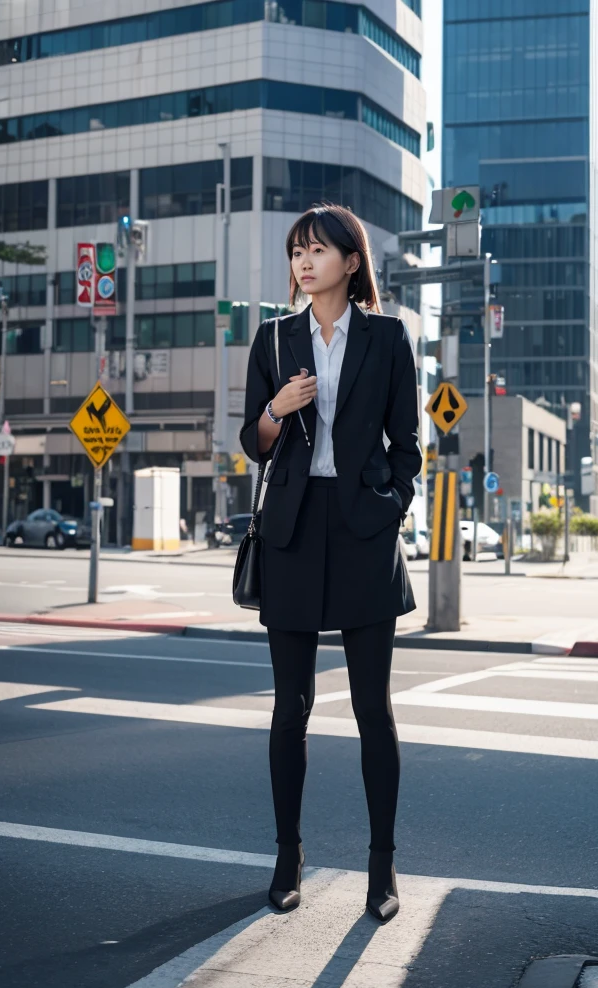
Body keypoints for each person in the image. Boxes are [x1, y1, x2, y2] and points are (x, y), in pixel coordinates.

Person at [240, 204, 421, 925]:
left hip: (362, 533)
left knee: (373, 712)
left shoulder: (386, 338)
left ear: (352, 262)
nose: (304, 262)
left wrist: (391, 505)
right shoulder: (274, 337)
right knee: (292, 711)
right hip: (290, 529)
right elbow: (253, 443)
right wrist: (278, 407)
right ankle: (288, 857)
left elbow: (406, 443)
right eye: (296, 252)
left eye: (318, 250)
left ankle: (383, 867)